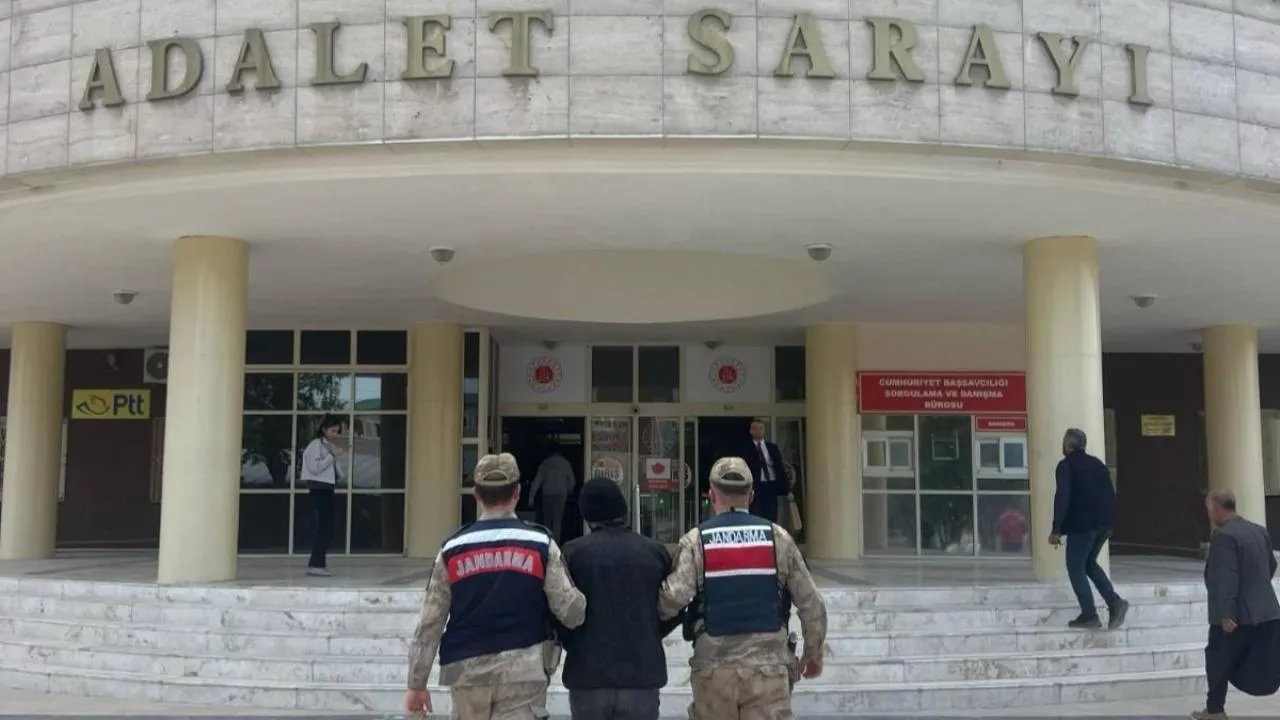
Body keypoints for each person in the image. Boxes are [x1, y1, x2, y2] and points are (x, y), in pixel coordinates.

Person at [405, 453, 587, 719]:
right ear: (517, 492)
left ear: (476, 494)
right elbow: (571, 612)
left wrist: (416, 683)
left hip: (467, 670)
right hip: (524, 670)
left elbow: (429, 623)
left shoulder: (452, 549)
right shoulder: (540, 544)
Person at [659, 457, 827, 720]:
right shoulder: (778, 538)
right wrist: (813, 654)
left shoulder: (696, 541)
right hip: (768, 670)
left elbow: (672, 599)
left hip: (714, 672)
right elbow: (812, 603)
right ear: (751, 496)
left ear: (712, 495)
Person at [556, 476, 684, 720]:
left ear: (586, 515)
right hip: (642, 676)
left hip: (588, 676)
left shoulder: (573, 553)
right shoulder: (654, 553)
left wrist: (574, 642)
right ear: (623, 511)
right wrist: (651, 633)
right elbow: (673, 605)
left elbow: (559, 610)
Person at [1192, 489, 1280, 720]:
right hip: (1267, 610)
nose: (1209, 515)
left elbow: (1226, 577)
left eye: (1208, 510)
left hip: (1236, 615)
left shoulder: (1224, 536)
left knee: (1217, 659)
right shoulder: (1258, 530)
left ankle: (1215, 710)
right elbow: (1270, 565)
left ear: (1216, 509)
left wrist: (1226, 613)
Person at [1048, 427, 1130, 630]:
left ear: (1068, 444)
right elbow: (1111, 494)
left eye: (1064, 441)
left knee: (1075, 567)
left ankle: (1089, 614)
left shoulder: (1066, 466)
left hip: (1082, 526)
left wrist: (1056, 529)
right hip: (1103, 525)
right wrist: (1109, 524)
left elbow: (1063, 496)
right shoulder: (1098, 465)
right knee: (1089, 564)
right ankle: (1114, 602)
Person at [300, 415, 344, 577]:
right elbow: (314, 467)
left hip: (327, 488)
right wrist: (332, 456)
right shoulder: (315, 445)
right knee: (325, 528)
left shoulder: (327, 446)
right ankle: (316, 563)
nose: (335, 434)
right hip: (319, 489)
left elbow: (332, 468)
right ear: (324, 429)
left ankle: (319, 562)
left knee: (328, 528)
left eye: (337, 431)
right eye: (332, 430)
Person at [743, 419, 788, 523]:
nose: (758, 431)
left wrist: (786, 488)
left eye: (760, 428)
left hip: (770, 486)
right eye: (755, 429)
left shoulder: (772, 448)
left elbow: (779, 468)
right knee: (756, 516)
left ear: (764, 430)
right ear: (751, 431)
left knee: (771, 516)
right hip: (756, 487)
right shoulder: (746, 449)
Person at [529, 443, 575, 542]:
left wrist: (531, 497)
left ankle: (547, 541)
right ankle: (556, 543)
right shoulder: (566, 464)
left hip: (547, 494)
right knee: (557, 521)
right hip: (561, 494)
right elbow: (571, 480)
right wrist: (569, 490)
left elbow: (537, 481)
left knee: (547, 520)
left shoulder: (545, 463)